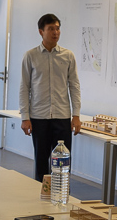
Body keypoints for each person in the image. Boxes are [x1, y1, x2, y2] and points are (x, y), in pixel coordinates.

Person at [19, 13, 82, 181]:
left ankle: (62, 193)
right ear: (41, 31)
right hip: (39, 117)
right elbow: (24, 88)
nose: (55, 32)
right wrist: (25, 117)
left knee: (63, 163)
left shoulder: (68, 56)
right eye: (51, 29)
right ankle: (41, 192)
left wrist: (76, 115)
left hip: (62, 116)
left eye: (58, 28)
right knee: (41, 161)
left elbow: (74, 86)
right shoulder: (30, 56)